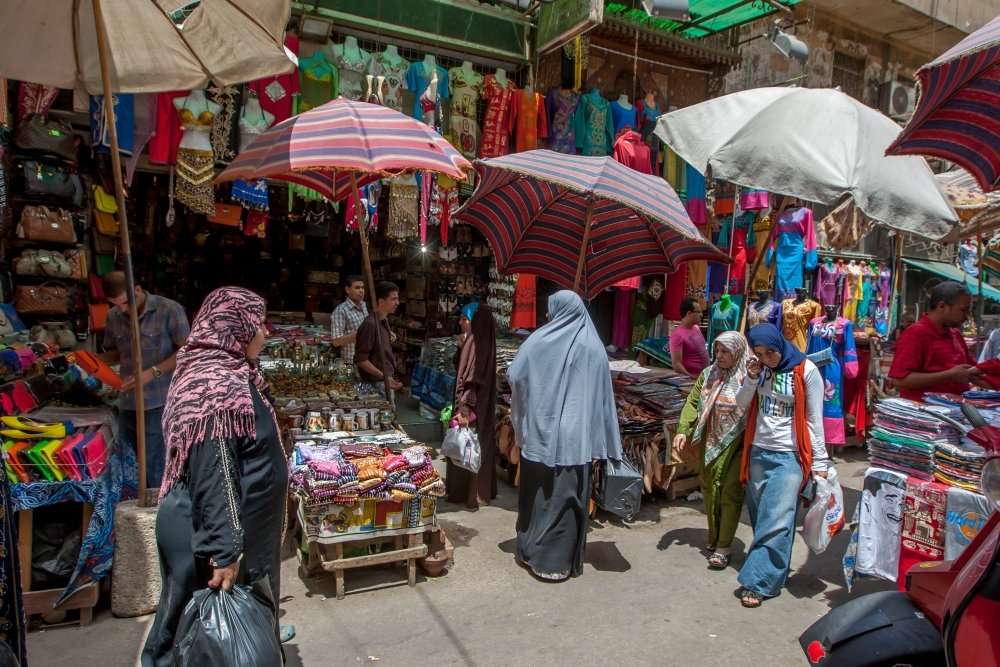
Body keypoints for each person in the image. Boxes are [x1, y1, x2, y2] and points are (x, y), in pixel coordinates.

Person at [141, 287, 289, 666]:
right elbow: (214, 470)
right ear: (235, 326)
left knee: (217, 633)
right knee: (200, 634)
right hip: (214, 535)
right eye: (258, 323)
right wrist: (225, 551)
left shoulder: (230, 372)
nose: (265, 332)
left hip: (229, 528)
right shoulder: (215, 385)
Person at [507, 291, 622, 581]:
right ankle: (554, 563)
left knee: (537, 495)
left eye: (551, 309)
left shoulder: (538, 340)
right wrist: (601, 439)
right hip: (576, 437)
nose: (547, 316)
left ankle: (529, 550)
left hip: (539, 433)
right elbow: (602, 399)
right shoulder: (593, 346)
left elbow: (515, 375)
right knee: (565, 499)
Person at [734, 323, 830, 608]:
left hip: (790, 456)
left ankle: (758, 582)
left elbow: (814, 419)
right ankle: (775, 570)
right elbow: (741, 404)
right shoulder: (758, 369)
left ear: (780, 344)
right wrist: (750, 379)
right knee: (765, 518)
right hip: (758, 451)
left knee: (775, 520)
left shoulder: (806, 371)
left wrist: (820, 463)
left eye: (771, 352)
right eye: (760, 353)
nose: (767, 358)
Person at [102, 271, 189, 488]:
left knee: (153, 466)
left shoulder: (168, 309)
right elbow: (115, 353)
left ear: (137, 290)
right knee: (127, 460)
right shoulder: (113, 316)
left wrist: (153, 372)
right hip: (128, 403)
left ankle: (154, 514)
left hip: (158, 402)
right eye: (115, 304)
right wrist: (92, 361)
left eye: (124, 302)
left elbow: (188, 350)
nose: (122, 309)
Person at [672, 331, 751, 570]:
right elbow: (693, 401)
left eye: (725, 351)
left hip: (737, 442)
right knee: (709, 488)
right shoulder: (708, 374)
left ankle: (724, 547)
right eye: (717, 351)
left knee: (729, 492)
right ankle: (714, 536)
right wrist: (683, 428)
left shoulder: (749, 378)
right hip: (709, 440)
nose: (720, 356)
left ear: (737, 352)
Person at [888, 281, 984, 402]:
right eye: (963, 310)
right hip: (924, 413)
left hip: (955, 412)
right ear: (942, 307)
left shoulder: (955, 334)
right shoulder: (915, 334)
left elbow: (970, 372)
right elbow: (899, 380)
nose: (967, 315)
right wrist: (949, 375)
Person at [445, 303, 498, 508]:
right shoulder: (473, 341)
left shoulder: (478, 342)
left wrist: (464, 409)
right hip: (478, 405)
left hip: (473, 406)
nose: (460, 323)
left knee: (469, 446)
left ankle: (470, 492)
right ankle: (475, 490)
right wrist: (460, 350)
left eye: (464, 319)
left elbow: (473, 379)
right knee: (473, 445)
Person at [354, 281, 403, 400]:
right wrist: (384, 377)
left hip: (384, 380)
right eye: (393, 299)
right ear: (381, 301)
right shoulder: (370, 324)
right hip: (376, 384)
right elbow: (360, 359)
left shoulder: (383, 320)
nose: (397, 302)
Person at [330, 274, 368, 364]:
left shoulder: (364, 305)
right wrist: (362, 332)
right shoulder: (341, 311)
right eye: (357, 288)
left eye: (362, 288)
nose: (361, 291)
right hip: (351, 362)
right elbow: (336, 341)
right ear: (347, 290)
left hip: (366, 360)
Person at [670, 297, 710, 378]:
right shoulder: (677, 334)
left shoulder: (696, 327)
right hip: (691, 381)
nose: (701, 315)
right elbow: (676, 364)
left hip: (704, 377)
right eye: (699, 312)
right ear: (689, 313)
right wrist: (690, 377)